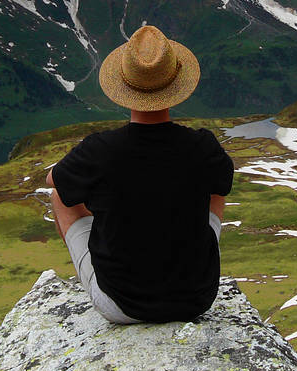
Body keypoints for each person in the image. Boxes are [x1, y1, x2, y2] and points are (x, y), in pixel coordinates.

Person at [46, 24, 234, 324]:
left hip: (121, 307)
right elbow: (223, 184)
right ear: (176, 84)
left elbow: (54, 180)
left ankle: (101, 274)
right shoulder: (202, 146)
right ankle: (182, 272)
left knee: (60, 195)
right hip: (196, 300)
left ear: (123, 85)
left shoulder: (100, 150)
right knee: (216, 185)